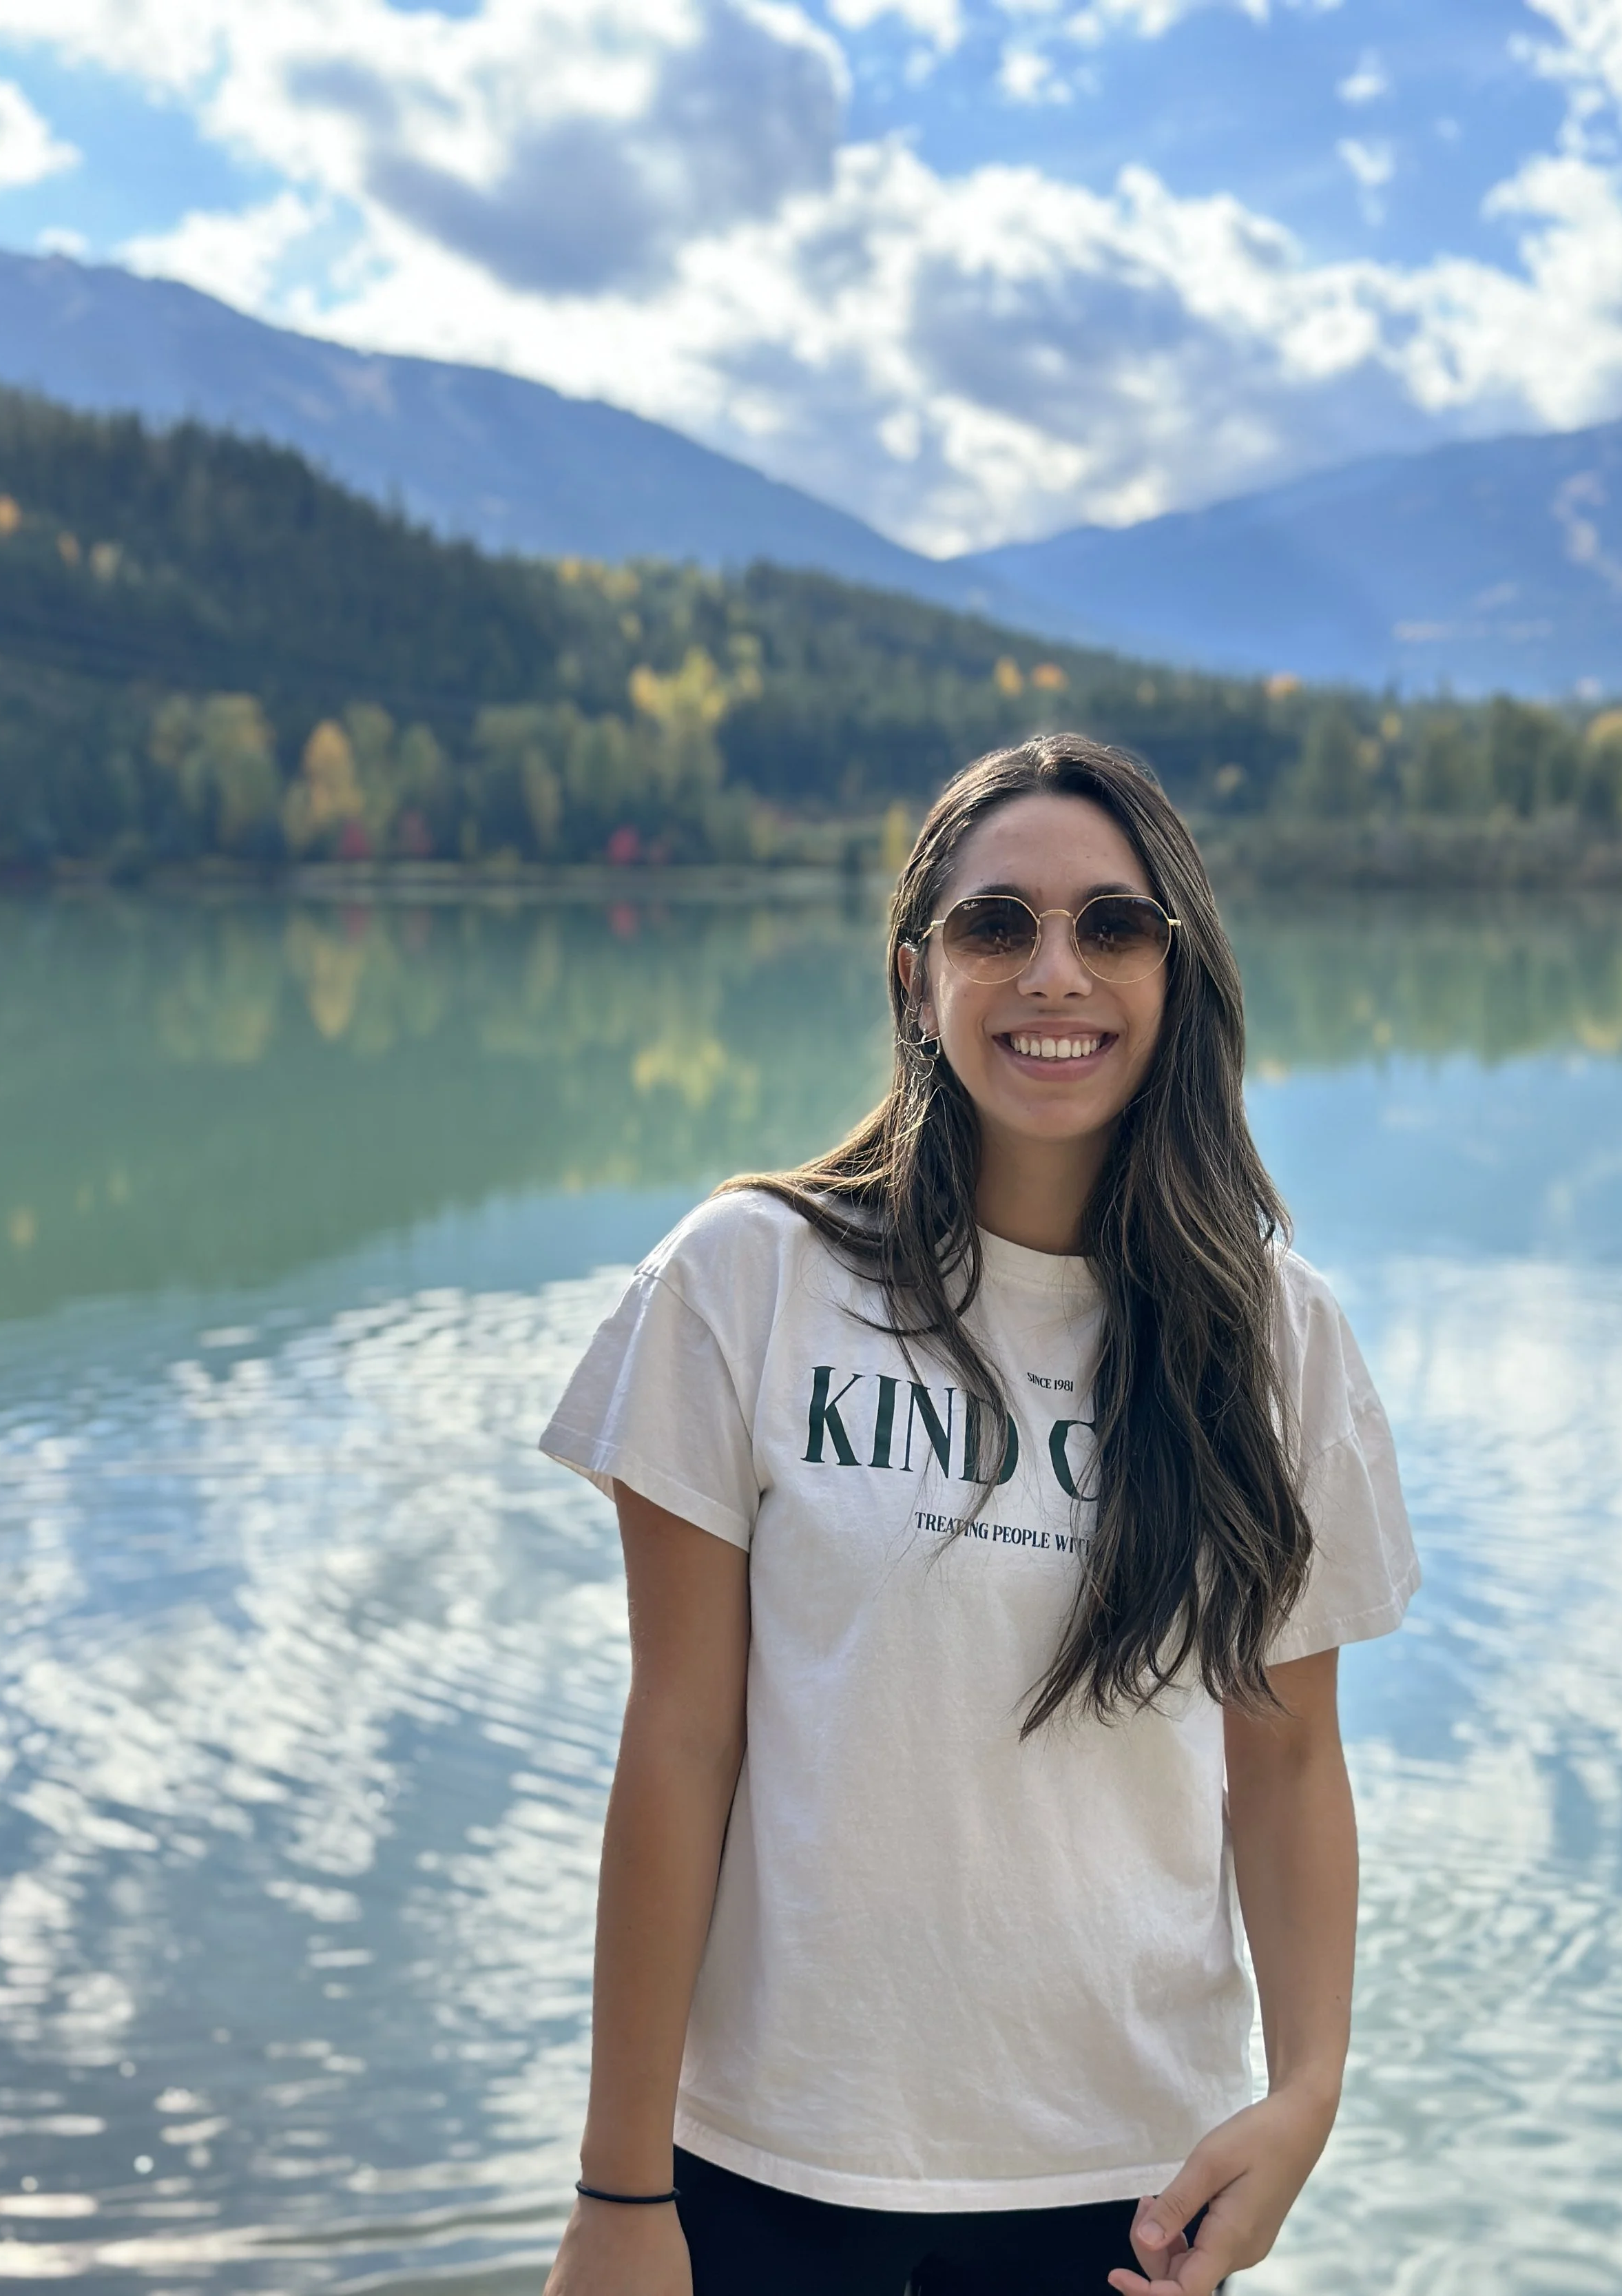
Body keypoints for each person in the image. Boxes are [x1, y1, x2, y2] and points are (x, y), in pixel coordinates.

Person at [539, 735, 1417, 2296]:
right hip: (758, 2170)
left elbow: (1281, 1757)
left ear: (1177, 966)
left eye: (1111, 926)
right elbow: (678, 1741)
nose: (1052, 973)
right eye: (994, 924)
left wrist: (1304, 2094)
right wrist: (620, 2192)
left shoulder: (1276, 1343)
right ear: (915, 975)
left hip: (1127, 2196)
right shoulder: (748, 1281)